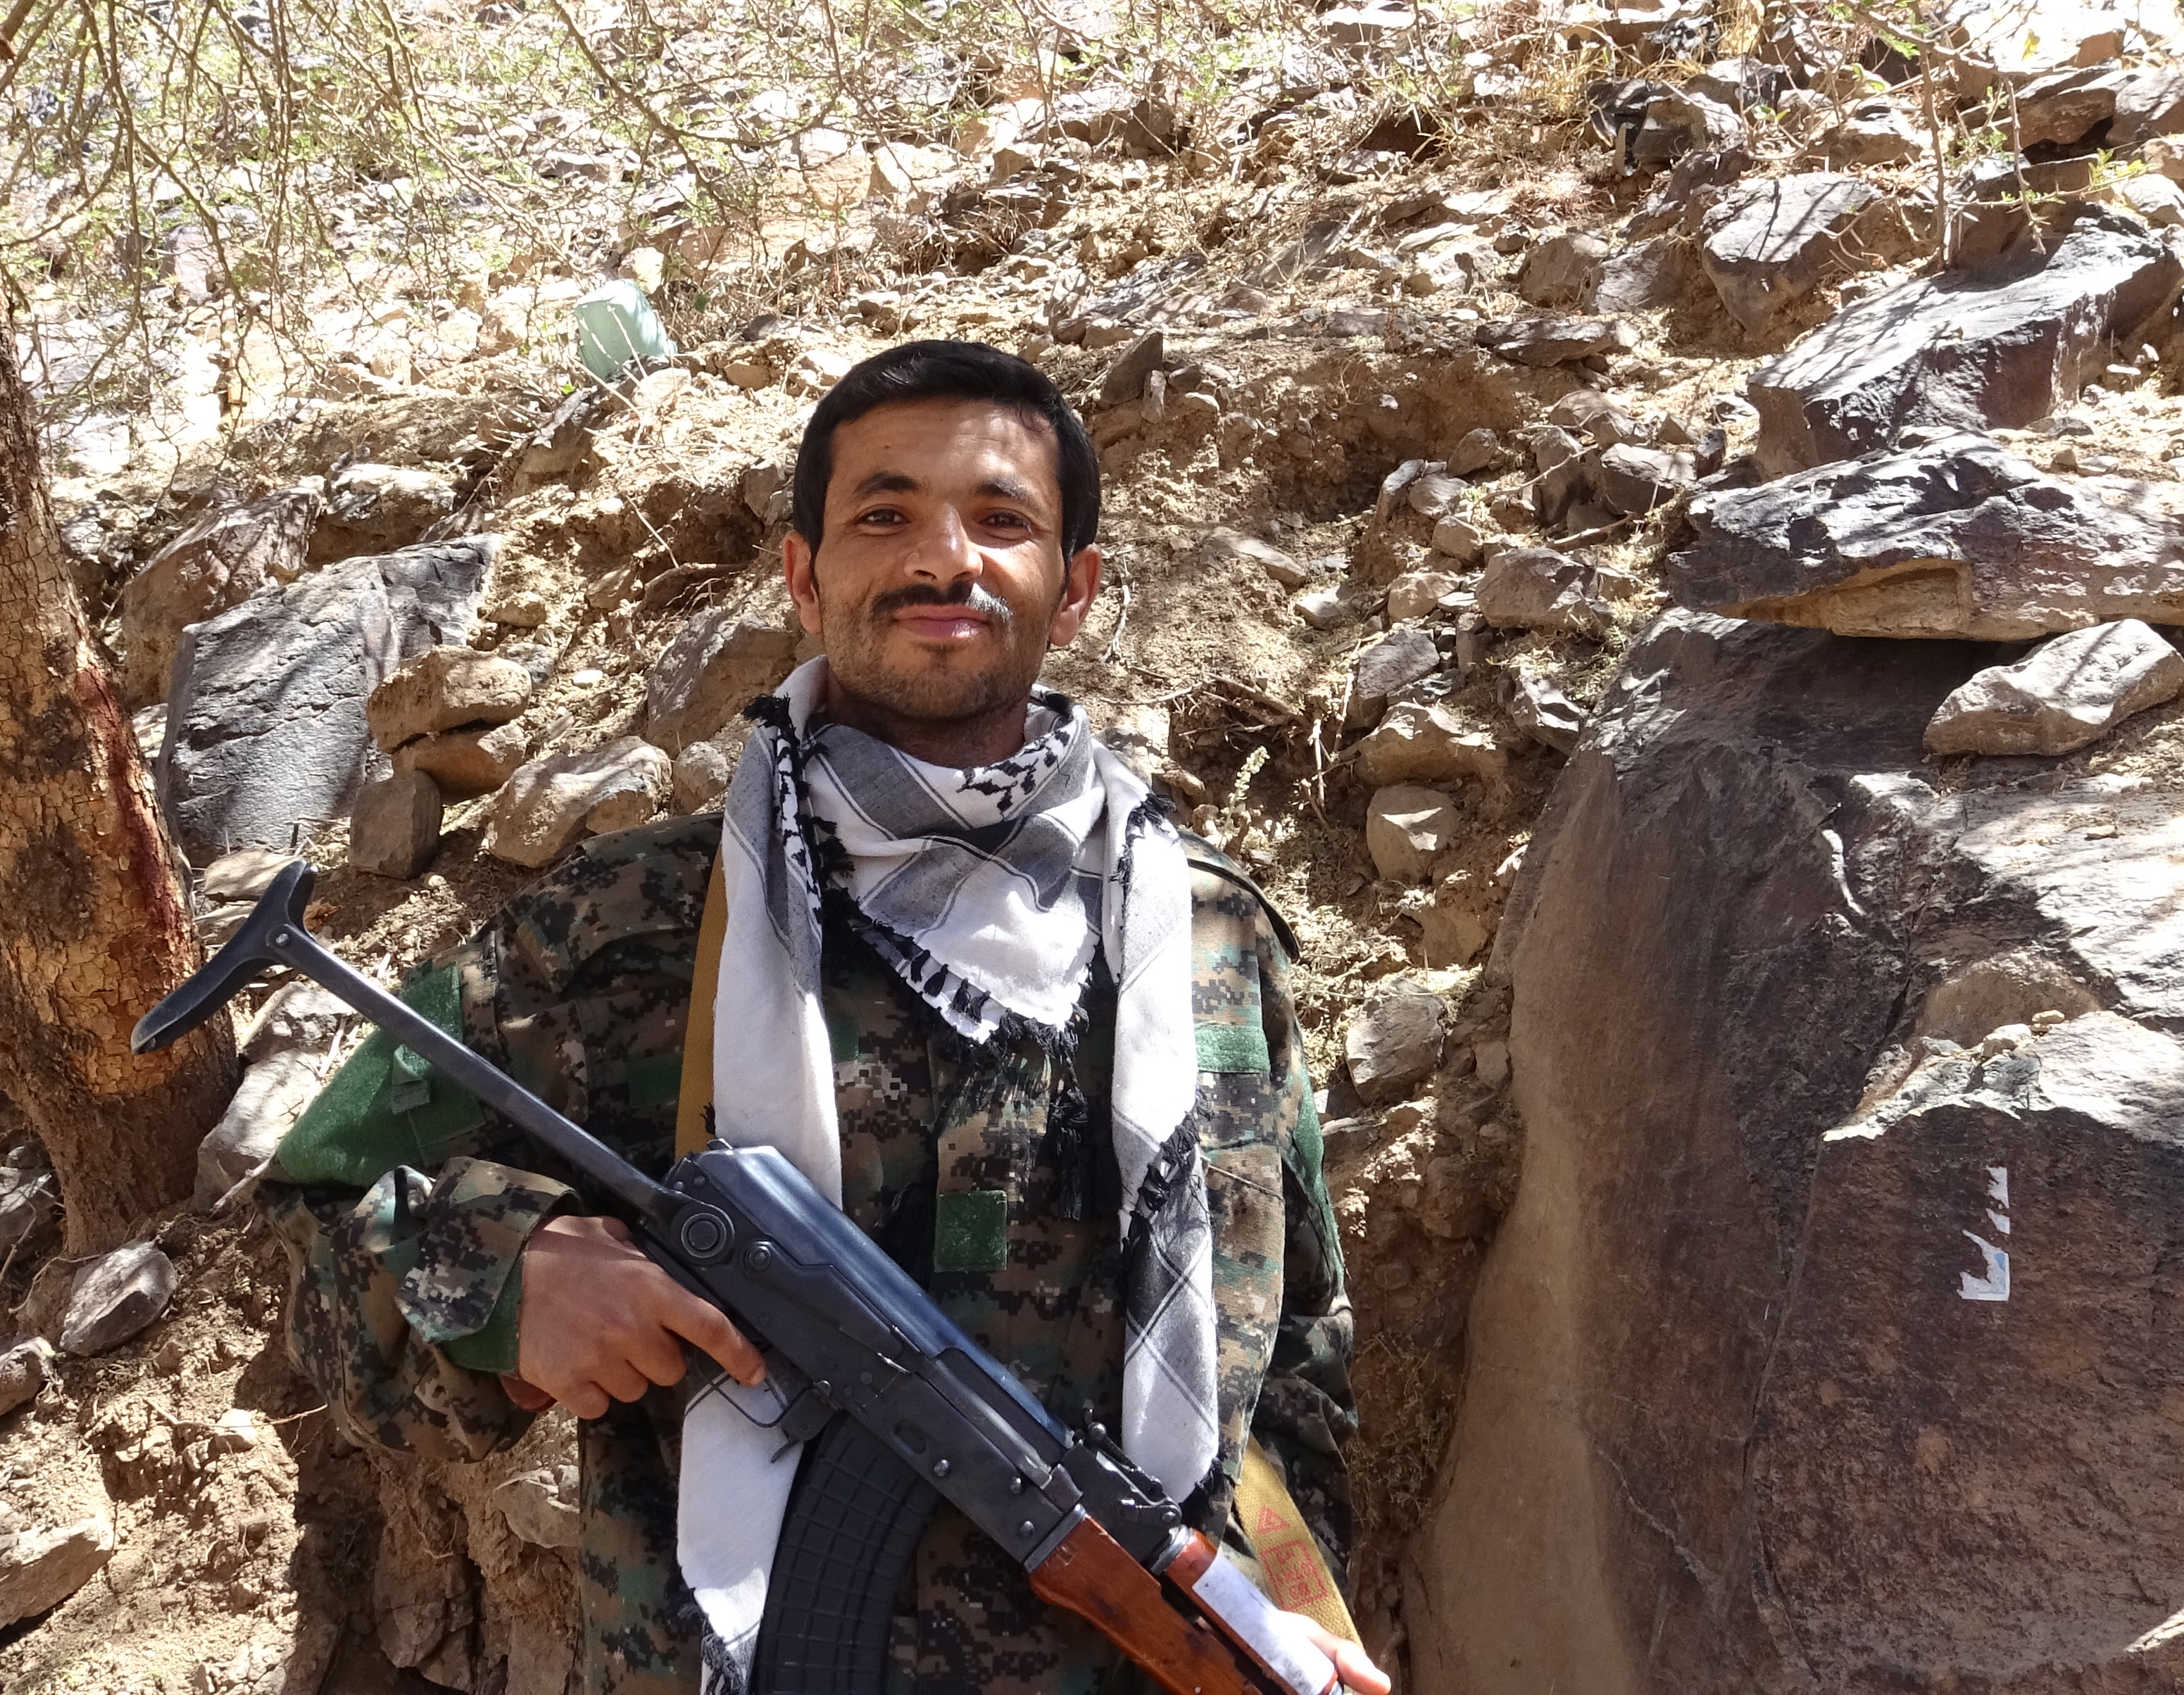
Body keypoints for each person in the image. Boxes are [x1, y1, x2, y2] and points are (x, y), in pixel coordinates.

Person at [260, 340, 1386, 1695]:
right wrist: (513, 1275)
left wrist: (1294, 1613)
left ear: (1075, 590)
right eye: (885, 515)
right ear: (804, 578)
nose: (944, 559)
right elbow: (316, 1211)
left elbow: (1294, 1354)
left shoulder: (1208, 936)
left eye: (1001, 519)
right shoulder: (629, 929)